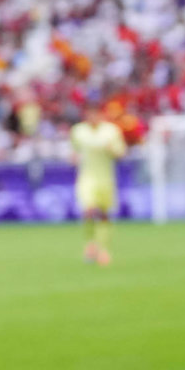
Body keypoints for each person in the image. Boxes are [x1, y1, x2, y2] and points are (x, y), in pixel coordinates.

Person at [70, 104, 128, 266]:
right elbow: (74, 150)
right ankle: (90, 244)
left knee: (103, 215)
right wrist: (73, 158)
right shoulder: (78, 131)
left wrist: (112, 150)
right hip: (87, 178)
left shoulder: (111, 131)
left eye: (95, 113)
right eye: (89, 113)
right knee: (88, 210)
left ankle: (103, 249)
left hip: (106, 178)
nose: (92, 117)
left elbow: (121, 153)